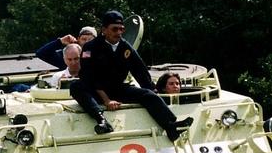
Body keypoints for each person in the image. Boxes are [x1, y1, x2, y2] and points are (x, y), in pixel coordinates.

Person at [72, 10, 193, 140]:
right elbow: (89, 76)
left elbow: (140, 71)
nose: (118, 33)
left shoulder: (125, 47)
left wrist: (152, 91)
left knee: (149, 95)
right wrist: (107, 100)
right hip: (96, 91)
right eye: (114, 29)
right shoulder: (91, 47)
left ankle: (171, 127)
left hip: (117, 88)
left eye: (121, 29)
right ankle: (101, 120)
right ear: (104, 30)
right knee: (76, 86)